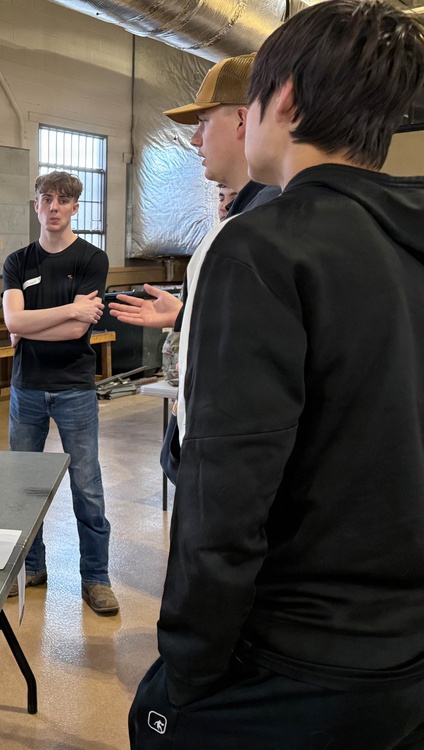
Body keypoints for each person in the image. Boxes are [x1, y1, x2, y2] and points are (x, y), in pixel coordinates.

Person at [130, 1, 424, 746]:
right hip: (403, 651)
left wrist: (187, 670)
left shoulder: (261, 247)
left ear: (281, 100)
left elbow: (227, 491)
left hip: (298, 653)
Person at [1, 171, 115, 614]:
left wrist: (33, 324)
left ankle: (97, 577)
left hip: (74, 389)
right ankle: (32, 568)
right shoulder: (18, 261)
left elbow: (75, 332)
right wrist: (68, 310)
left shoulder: (92, 259)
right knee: (23, 485)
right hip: (27, 389)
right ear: (35, 206)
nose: (53, 207)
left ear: (73, 208)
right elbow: (14, 323)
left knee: (86, 485)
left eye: (62, 200)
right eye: (46, 199)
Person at [108, 53, 280, 331]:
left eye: (203, 121)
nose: (194, 139)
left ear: (241, 121)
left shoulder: (263, 222)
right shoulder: (251, 213)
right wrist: (187, 316)